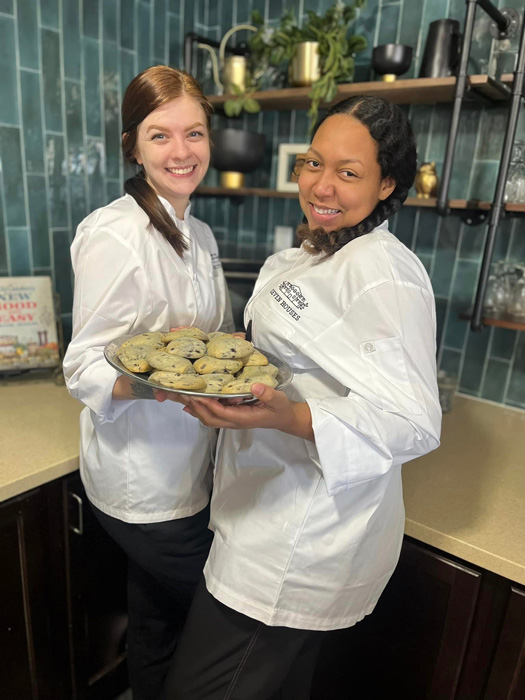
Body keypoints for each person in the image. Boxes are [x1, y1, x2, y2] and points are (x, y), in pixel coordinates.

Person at [161, 96, 442, 700]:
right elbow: (306, 358)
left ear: (387, 183)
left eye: (348, 173)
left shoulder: (384, 275)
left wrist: (288, 414)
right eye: (313, 163)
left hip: (302, 539)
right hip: (261, 506)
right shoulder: (312, 251)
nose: (321, 185)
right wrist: (240, 358)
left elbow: (414, 422)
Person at [62, 65, 234, 700]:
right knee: (226, 616)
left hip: (190, 470)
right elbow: (83, 368)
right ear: (132, 144)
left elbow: (196, 341)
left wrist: (224, 356)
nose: (182, 151)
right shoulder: (116, 234)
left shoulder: (200, 235)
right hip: (143, 488)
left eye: (194, 133)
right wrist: (163, 384)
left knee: (158, 622)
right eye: (161, 135)